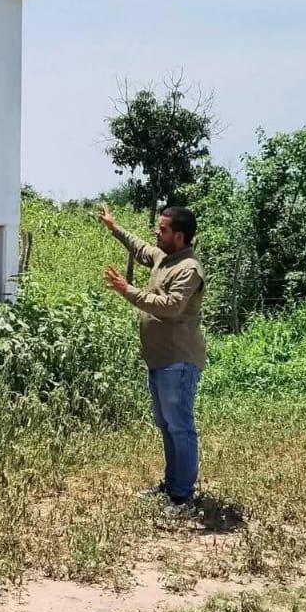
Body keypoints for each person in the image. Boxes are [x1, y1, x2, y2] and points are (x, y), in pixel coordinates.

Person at [98, 203, 206, 507]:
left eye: (163, 230)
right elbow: (141, 247)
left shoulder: (188, 269)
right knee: (167, 425)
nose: (156, 234)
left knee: (180, 426)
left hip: (178, 361)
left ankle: (182, 496)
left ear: (180, 237)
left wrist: (127, 290)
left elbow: (171, 306)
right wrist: (114, 227)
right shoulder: (165, 257)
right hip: (160, 360)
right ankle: (172, 485)